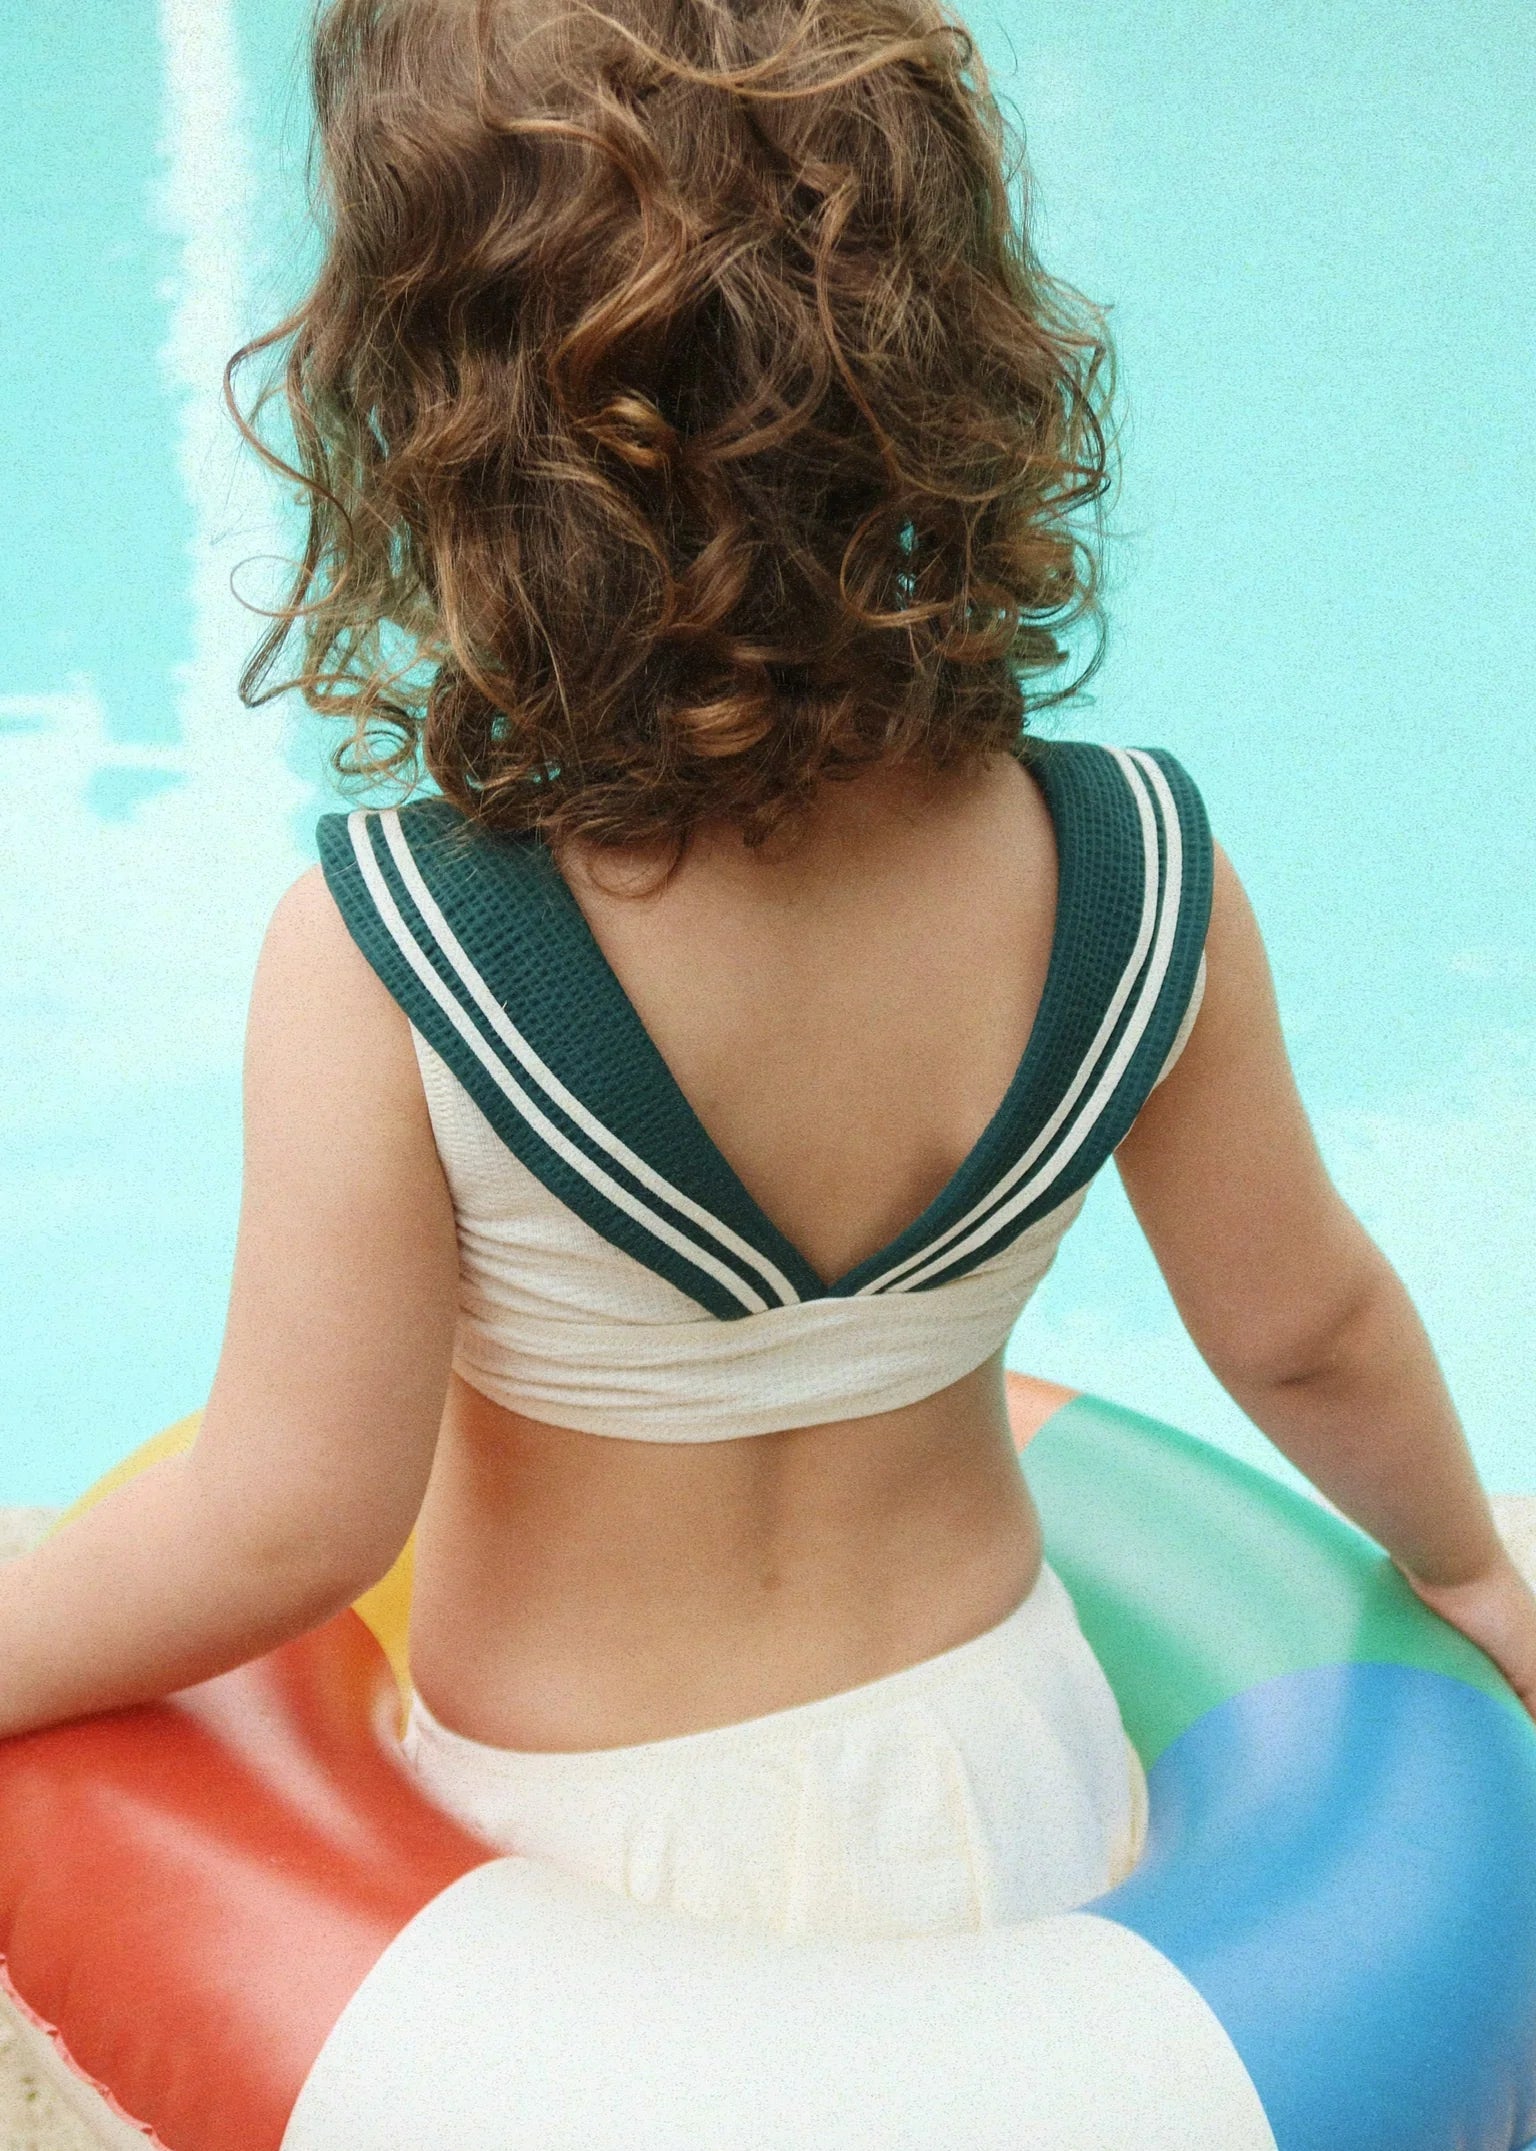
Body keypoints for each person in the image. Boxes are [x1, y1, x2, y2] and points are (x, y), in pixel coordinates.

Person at [4, 0, 1534, 1946]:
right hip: (1024, 1766)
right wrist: (1469, 1559)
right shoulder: (1141, 871)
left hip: (577, 1859)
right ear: (956, 356)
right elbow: (1308, 1326)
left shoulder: (394, 949)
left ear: (429, 410)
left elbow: (287, 1517)